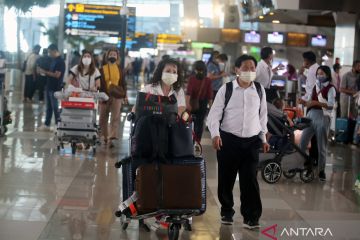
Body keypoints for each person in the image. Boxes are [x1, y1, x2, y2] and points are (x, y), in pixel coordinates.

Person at [207, 54, 269, 229]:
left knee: (250, 180)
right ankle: (227, 211)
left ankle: (252, 216)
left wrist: (263, 137)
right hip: (228, 141)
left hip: (251, 142)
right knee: (226, 179)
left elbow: (262, 116)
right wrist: (215, 135)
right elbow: (214, 115)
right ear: (236, 70)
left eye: (252, 68)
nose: (249, 71)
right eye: (245, 68)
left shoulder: (259, 90)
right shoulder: (226, 90)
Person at [299, 66, 336, 181]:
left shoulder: (331, 88)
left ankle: (321, 171)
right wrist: (304, 102)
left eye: (322, 73)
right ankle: (305, 165)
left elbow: (331, 105)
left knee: (321, 147)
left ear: (327, 75)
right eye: (318, 74)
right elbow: (309, 102)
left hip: (323, 117)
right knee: (302, 143)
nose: (319, 76)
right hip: (311, 115)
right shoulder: (315, 86)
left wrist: (316, 103)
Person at [99, 49, 127, 148]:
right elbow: (100, 84)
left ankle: (111, 138)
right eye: (110, 54)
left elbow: (123, 83)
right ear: (107, 56)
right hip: (104, 96)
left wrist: (125, 95)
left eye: (114, 54)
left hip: (117, 96)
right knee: (103, 117)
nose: (112, 56)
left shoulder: (120, 69)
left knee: (115, 118)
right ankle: (104, 137)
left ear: (117, 57)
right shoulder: (102, 69)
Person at [37, 44, 65, 131]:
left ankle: (58, 124)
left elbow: (57, 75)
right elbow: (51, 72)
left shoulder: (60, 61)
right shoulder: (53, 60)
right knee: (48, 107)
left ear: (54, 51)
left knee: (55, 107)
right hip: (49, 86)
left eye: (50, 52)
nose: (49, 54)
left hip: (55, 87)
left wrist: (44, 72)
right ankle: (47, 124)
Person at [186, 60, 213, 142]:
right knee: (200, 124)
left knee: (191, 123)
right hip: (203, 104)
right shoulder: (207, 80)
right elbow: (210, 96)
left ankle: (191, 141)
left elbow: (188, 93)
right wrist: (211, 107)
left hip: (192, 103)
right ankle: (197, 142)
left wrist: (187, 104)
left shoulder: (192, 79)